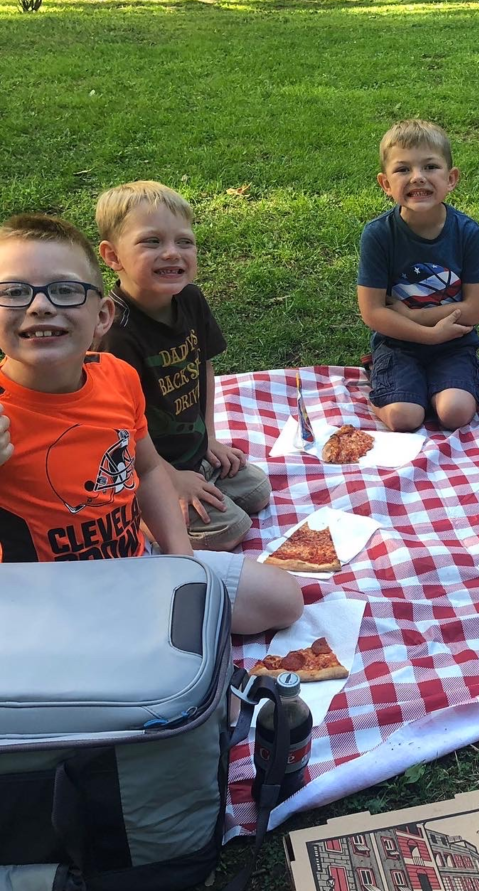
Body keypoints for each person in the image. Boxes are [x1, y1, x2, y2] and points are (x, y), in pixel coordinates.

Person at [0, 214, 303, 634]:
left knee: (282, 599)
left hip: (137, 566)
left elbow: (147, 470)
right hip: (48, 610)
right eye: (13, 291)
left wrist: (181, 565)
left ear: (103, 316)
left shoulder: (117, 377)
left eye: (66, 290)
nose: (40, 305)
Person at [94, 181, 270, 552]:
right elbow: (115, 430)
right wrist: (171, 478)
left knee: (257, 491)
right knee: (230, 530)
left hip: (191, 453)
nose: (172, 253)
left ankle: (195, 481)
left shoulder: (190, 298)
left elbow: (203, 364)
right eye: (152, 242)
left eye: (184, 242)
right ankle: (139, 514)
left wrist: (209, 438)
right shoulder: (115, 334)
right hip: (145, 471)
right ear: (112, 256)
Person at [357, 119, 479, 433]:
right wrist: (431, 333)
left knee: (455, 413)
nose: (418, 178)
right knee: (405, 418)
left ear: (451, 178)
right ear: (385, 184)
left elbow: (474, 310)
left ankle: (433, 386)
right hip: (397, 344)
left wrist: (411, 314)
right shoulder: (378, 235)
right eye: (403, 170)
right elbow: (372, 312)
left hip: (455, 344)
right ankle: (385, 381)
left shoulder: (467, 232)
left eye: (430, 167)